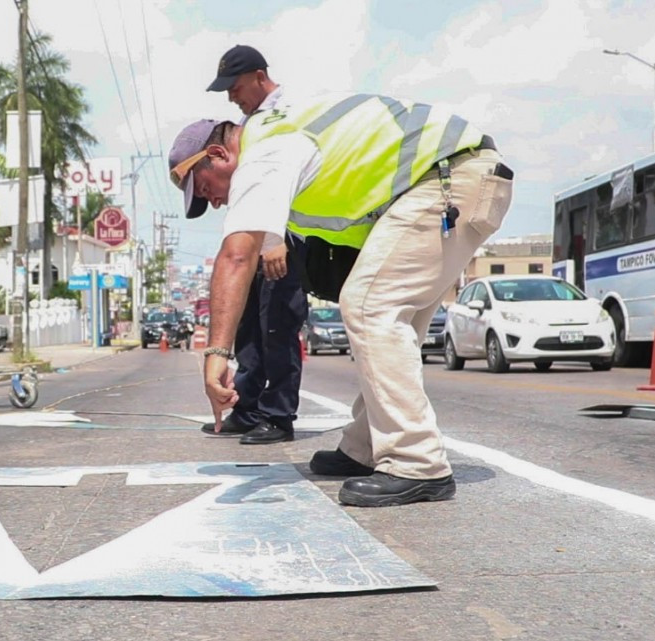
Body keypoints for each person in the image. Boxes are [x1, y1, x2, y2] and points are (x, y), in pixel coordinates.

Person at [168, 94, 513, 507]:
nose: (214, 202)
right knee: (388, 315)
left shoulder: (264, 155)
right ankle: (366, 445)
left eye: (207, 188)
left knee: (370, 306)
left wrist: (217, 354)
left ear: (218, 154)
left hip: (448, 178)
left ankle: (417, 462)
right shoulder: (276, 139)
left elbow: (236, 257)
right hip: (451, 178)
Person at [194, 44, 306, 445]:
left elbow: (290, 177)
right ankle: (248, 408)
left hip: (284, 237)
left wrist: (277, 238)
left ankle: (278, 416)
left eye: (235, 87)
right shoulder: (251, 123)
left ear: (260, 76)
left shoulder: (287, 112)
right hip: (261, 235)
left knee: (277, 325)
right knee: (248, 328)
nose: (231, 97)